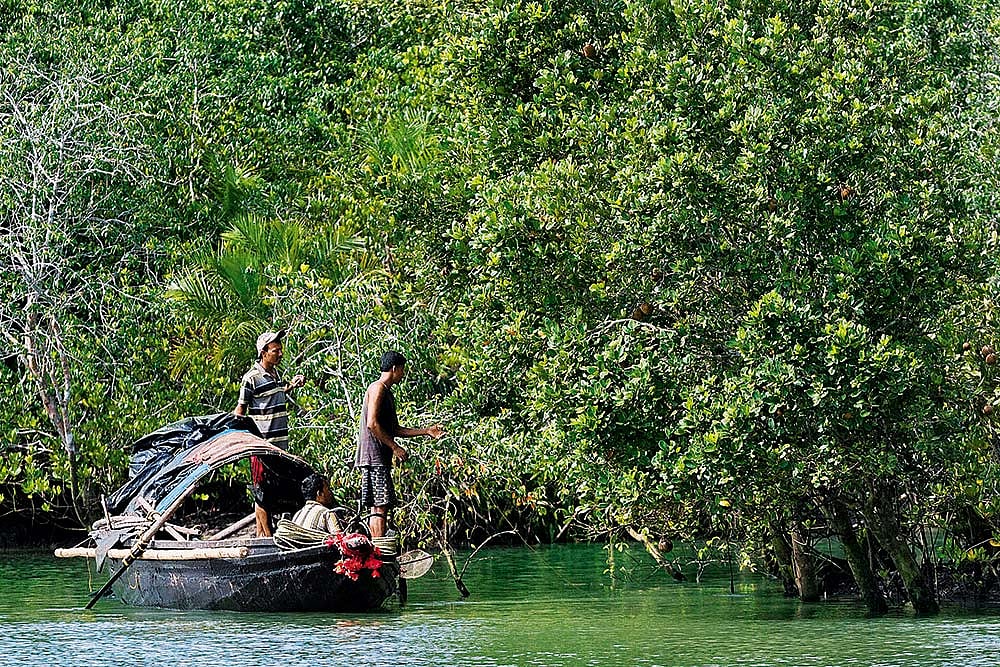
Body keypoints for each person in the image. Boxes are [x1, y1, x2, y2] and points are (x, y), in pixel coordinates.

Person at [356, 350, 444, 538]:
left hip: (379, 457)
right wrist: (394, 447)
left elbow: (394, 429)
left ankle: (378, 549)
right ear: (394, 369)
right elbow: (372, 424)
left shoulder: (387, 393)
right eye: (402, 370)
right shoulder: (377, 388)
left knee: (380, 505)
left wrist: (426, 431)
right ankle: (379, 550)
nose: (403, 375)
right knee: (379, 506)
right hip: (374, 456)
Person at [234, 329, 305, 537]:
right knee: (261, 492)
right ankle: (263, 537)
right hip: (262, 445)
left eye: (280, 350)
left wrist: (291, 385)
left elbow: (275, 394)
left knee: (275, 489)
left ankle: (266, 533)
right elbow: (240, 411)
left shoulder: (274, 375)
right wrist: (242, 441)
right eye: (276, 351)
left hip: (280, 445)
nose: (280, 354)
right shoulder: (251, 378)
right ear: (263, 352)